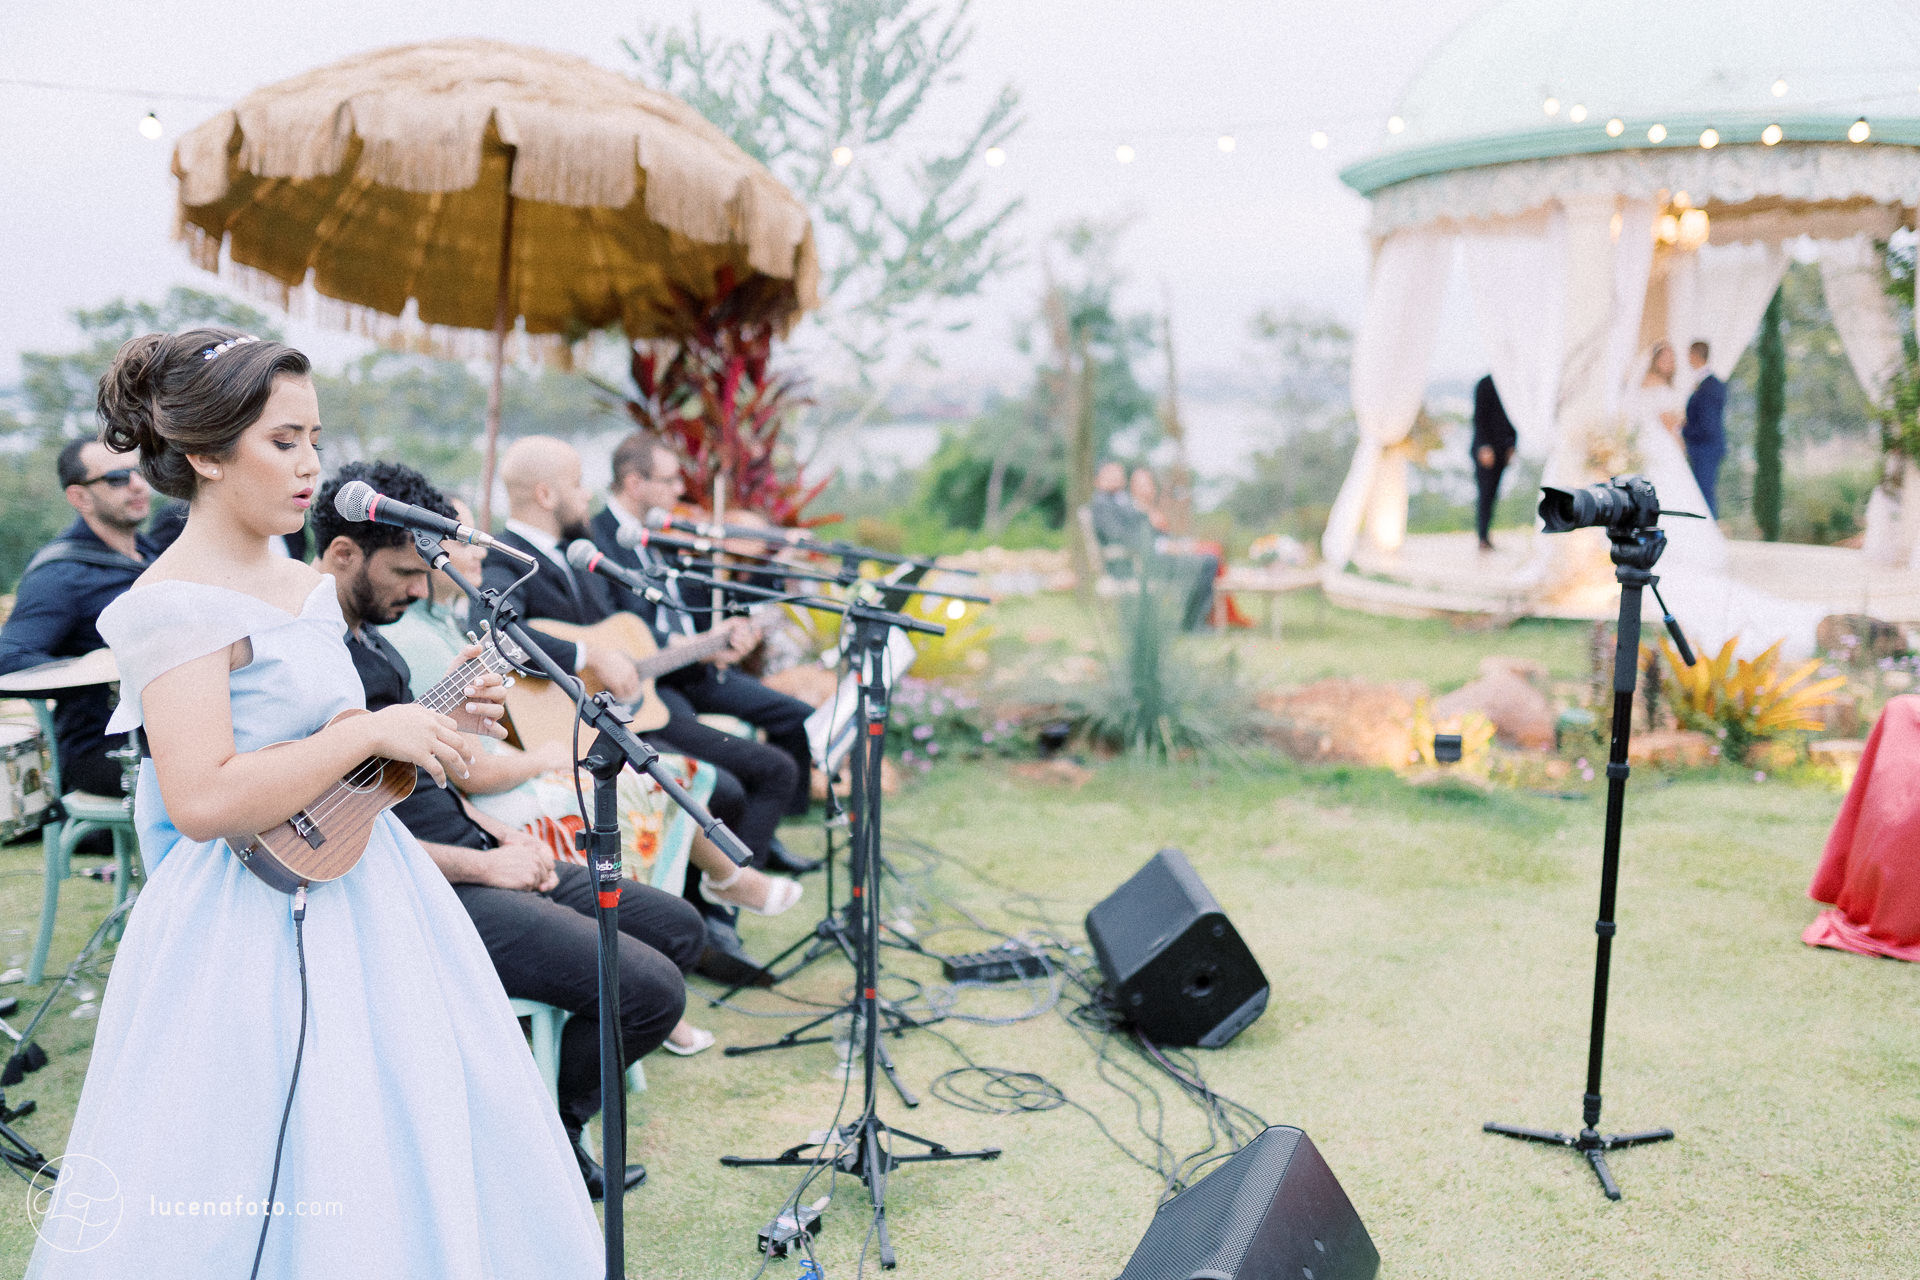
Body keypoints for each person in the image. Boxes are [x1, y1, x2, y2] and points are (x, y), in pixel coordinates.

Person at [28, 329, 601, 1275]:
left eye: (314, 439)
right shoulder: (168, 603)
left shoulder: (304, 585)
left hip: (368, 893)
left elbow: (344, 763)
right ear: (207, 455)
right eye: (282, 441)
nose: (309, 466)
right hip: (236, 921)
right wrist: (362, 733)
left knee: (392, 1132)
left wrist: (433, 725)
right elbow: (204, 796)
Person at [309, 461, 706, 1186]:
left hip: (479, 854)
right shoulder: (312, 663)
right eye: (404, 571)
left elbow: (408, 782)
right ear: (342, 554)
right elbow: (336, 830)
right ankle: (553, 1132)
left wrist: (492, 830)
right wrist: (483, 866)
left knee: (680, 930)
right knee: (649, 990)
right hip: (435, 889)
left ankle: (541, 1118)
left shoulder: (375, 644)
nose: (420, 590)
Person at [481, 435, 796, 977]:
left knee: (743, 778)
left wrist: (702, 642)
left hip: (625, 713)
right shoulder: (505, 557)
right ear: (546, 493)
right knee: (722, 786)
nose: (588, 497)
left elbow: (626, 639)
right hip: (569, 729)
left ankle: (711, 920)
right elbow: (498, 635)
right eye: (579, 484)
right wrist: (585, 653)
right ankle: (702, 924)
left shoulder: (580, 556)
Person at [0, 439, 155, 798]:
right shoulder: (60, 575)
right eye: (117, 478)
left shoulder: (151, 554)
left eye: (139, 471)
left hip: (165, 731)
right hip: (105, 747)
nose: (136, 484)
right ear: (80, 498)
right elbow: (7, 659)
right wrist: (92, 669)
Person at [1086, 460, 1216, 630]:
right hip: (1128, 566)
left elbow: (1143, 530)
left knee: (1205, 559)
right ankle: (1191, 624)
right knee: (1205, 563)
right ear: (1098, 479)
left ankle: (1191, 622)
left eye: (1119, 473)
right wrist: (1159, 546)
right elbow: (1117, 537)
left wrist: (1167, 543)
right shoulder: (1102, 503)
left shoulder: (1122, 501)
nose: (1117, 477)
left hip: (1144, 559)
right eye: (1111, 474)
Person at [1470, 374, 1517, 552]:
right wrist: (1484, 447)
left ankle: (1486, 536)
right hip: (1486, 449)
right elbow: (1479, 418)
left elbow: (1514, 417)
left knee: (1493, 493)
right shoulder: (1485, 383)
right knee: (1485, 493)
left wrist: (1512, 444)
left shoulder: (1511, 384)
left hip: (1502, 448)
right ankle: (1482, 536)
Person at [1683, 340, 1727, 518]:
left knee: (1704, 495)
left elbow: (1707, 426)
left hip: (1705, 449)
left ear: (1694, 355)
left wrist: (1684, 430)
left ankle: (1710, 536)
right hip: (1707, 447)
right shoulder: (1708, 384)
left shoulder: (1709, 386)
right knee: (1701, 494)